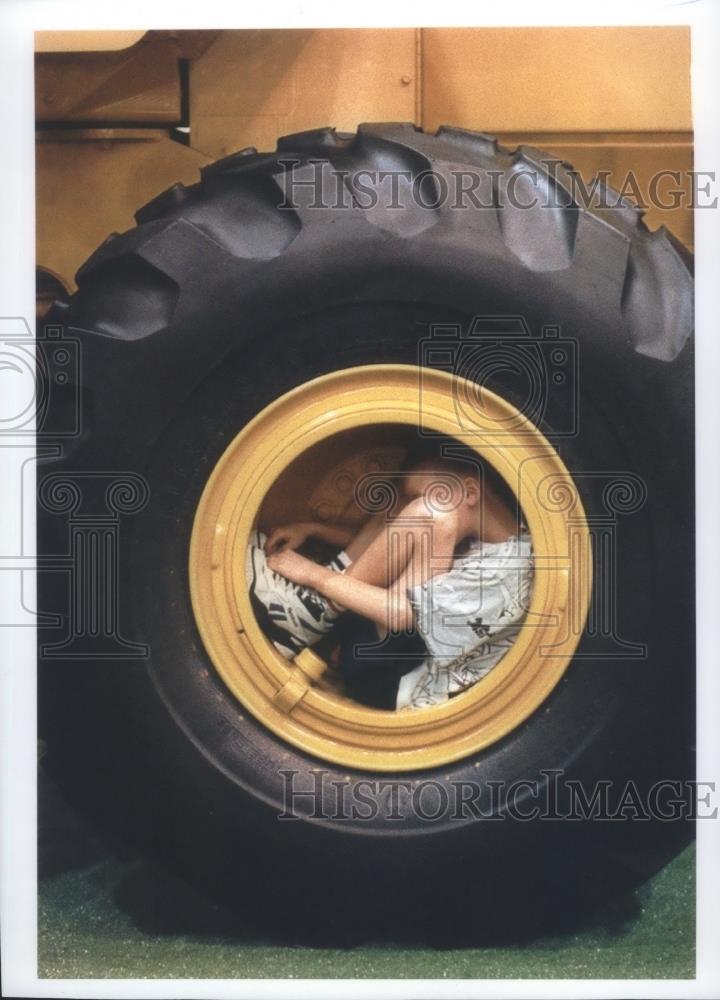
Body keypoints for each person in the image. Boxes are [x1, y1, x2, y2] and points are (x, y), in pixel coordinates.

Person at [246, 446, 534, 710]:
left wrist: (314, 576)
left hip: (395, 679)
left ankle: (318, 609)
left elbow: (402, 614)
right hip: (384, 643)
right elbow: (392, 547)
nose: (412, 511)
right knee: (405, 510)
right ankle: (321, 602)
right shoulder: (493, 543)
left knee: (430, 514)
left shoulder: (508, 571)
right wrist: (312, 529)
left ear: (470, 492)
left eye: (424, 495)